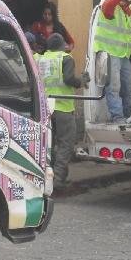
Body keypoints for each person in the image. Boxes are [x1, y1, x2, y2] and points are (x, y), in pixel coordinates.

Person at [34, 33, 89, 193]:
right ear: (61, 45)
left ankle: (49, 178)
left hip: (46, 109)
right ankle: (57, 180)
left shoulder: (40, 59)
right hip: (63, 108)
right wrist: (82, 81)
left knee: (48, 145)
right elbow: (69, 79)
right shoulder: (66, 58)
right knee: (66, 144)